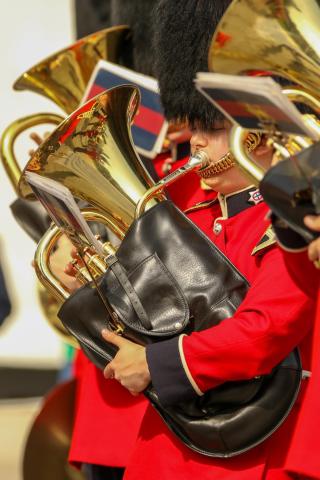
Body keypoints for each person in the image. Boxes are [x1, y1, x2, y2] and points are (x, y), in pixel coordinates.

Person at [99, 1, 317, 479]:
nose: (194, 141)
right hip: (166, 443)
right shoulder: (187, 207)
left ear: (258, 136)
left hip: (247, 442)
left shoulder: (284, 218)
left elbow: (266, 329)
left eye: (212, 129)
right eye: (193, 126)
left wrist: (160, 363)